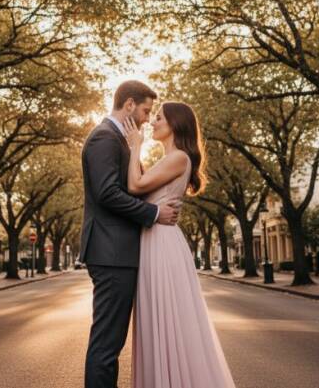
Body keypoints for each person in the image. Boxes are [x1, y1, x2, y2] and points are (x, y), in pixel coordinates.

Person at [123, 101, 236, 388]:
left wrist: (135, 145)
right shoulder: (169, 159)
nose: (153, 122)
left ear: (175, 124)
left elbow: (135, 186)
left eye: (159, 117)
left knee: (167, 320)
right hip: (155, 240)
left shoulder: (179, 158)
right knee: (157, 320)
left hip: (162, 244)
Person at [80, 80, 181, 388]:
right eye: (146, 111)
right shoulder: (104, 138)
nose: (148, 119)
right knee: (107, 344)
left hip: (117, 253)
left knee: (111, 343)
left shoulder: (118, 139)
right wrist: (154, 213)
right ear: (129, 105)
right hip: (111, 253)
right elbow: (107, 193)